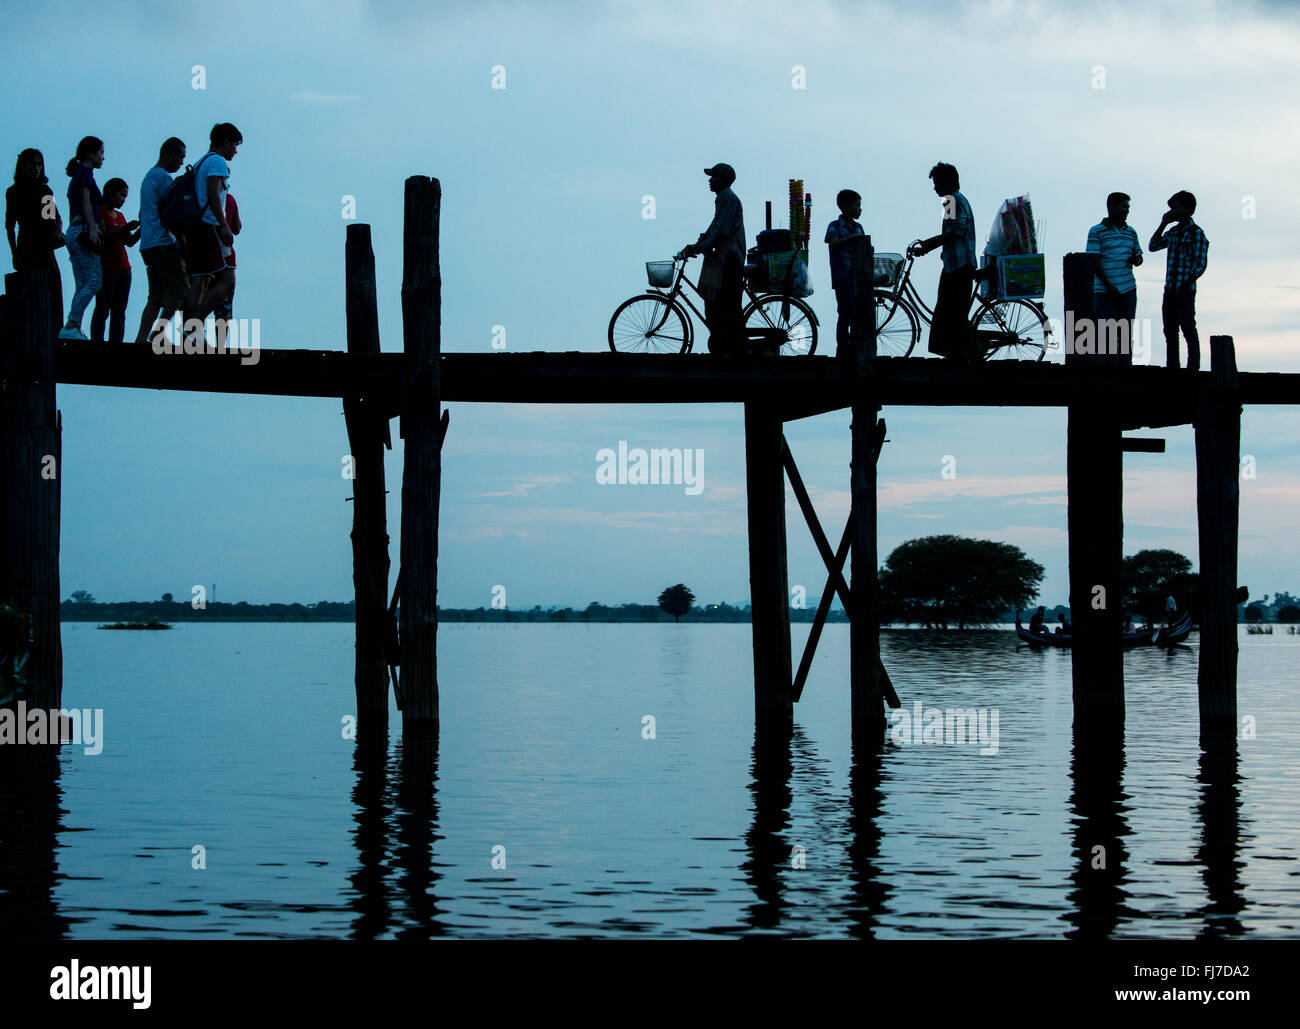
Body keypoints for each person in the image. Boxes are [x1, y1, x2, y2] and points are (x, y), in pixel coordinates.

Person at [908, 162, 978, 361]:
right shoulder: (952, 201)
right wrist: (930, 244)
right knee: (948, 312)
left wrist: (928, 246)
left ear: (947, 182)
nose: (935, 187)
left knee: (952, 313)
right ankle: (957, 352)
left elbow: (955, 231)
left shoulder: (953, 201)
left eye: (937, 183)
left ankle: (969, 351)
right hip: (953, 265)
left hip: (959, 265)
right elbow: (950, 232)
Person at [183, 123, 242, 338]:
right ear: (226, 141)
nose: (235, 151)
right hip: (210, 226)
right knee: (228, 279)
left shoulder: (200, 162)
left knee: (199, 281)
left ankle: (190, 333)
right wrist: (223, 226)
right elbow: (213, 194)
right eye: (235, 145)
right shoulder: (217, 161)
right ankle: (193, 326)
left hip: (196, 227)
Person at [683, 163, 744, 354]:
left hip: (729, 259)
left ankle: (733, 347)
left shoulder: (728, 199)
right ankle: (724, 343)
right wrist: (700, 243)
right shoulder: (723, 199)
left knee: (724, 305)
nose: (710, 180)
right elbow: (714, 228)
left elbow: (721, 230)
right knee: (717, 304)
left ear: (724, 180)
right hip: (724, 258)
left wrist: (701, 246)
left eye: (714, 177)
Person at [134, 137, 188, 346]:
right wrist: (182, 241)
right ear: (169, 154)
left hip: (147, 244)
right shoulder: (164, 178)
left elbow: (142, 213)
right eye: (180, 157)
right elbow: (171, 214)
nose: (182, 162)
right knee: (180, 289)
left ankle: (140, 339)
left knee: (155, 297)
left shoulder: (148, 178)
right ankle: (158, 333)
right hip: (162, 243)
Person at [1149, 190, 1208, 371]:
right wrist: (1163, 223)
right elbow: (1153, 246)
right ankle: (1173, 366)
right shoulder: (1173, 232)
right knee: (1170, 331)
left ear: (1188, 209)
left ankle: (1193, 368)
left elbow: (1200, 265)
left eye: (1176, 208)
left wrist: (1185, 284)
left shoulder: (1196, 232)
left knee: (1188, 329)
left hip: (1185, 289)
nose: (1173, 212)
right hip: (1170, 288)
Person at [1086, 192, 1143, 365]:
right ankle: (1100, 368)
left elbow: (1139, 256)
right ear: (1112, 207)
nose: (1127, 210)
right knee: (1102, 330)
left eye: (1128, 207)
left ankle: (1125, 366)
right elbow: (1094, 261)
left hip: (1127, 287)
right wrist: (1109, 286)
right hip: (1103, 289)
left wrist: (1136, 259)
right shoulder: (1096, 231)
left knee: (1125, 331)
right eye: (1124, 206)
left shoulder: (1131, 232)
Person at [60, 136, 105, 340]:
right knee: (95, 281)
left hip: (73, 232)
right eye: (101, 152)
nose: (103, 157)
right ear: (90, 153)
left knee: (82, 283)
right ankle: (71, 323)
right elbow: (86, 202)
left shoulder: (77, 174)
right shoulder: (86, 173)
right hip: (83, 230)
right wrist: (94, 230)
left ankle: (73, 327)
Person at [89, 178, 139, 343]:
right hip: (106, 268)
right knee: (103, 308)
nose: (123, 200)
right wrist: (124, 228)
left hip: (124, 268)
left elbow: (129, 242)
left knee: (119, 311)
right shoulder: (100, 212)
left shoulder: (121, 216)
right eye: (121, 195)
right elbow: (103, 235)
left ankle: (115, 342)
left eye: (125, 197)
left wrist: (142, 228)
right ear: (111, 193)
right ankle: (97, 340)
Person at [6, 149, 64, 286]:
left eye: (39, 165)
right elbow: (10, 226)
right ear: (23, 166)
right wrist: (15, 253)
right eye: (33, 164)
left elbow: (53, 219)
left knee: (50, 285)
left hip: (44, 246)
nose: (37, 168)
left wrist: (57, 231)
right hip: (26, 246)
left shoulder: (44, 190)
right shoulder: (14, 192)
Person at [825, 188, 866, 359]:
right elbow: (833, 244)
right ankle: (842, 348)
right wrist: (851, 240)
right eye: (857, 206)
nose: (860, 209)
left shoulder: (859, 227)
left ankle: (855, 346)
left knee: (857, 313)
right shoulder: (834, 226)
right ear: (846, 207)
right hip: (842, 276)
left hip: (858, 277)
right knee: (844, 312)